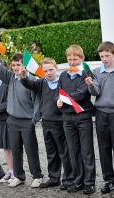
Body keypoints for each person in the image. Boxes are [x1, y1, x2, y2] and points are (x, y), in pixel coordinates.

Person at [0, 45, 43, 188]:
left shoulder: (32, 80)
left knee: (31, 150)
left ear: (24, 65)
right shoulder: (10, 77)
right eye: (13, 65)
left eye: (18, 65)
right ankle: (19, 176)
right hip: (13, 120)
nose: (15, 68)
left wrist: (34, 118)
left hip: (27, 120)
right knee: (15, 150)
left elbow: (37, 100)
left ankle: (37, 176)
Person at [20, 58, 73, 189]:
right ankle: (54, 178)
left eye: (50, 70)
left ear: (56, 68)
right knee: (51, 152)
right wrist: (23, 77)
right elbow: (29, 84)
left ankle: (68, 179)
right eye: (45, 71)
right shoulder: (42, 82)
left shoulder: (62, 82)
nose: (48, 73)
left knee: (64, 152)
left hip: (59, 122)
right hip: (46, 121)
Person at [54, 45, 95, 194]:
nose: (72, 62)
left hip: (83, 116)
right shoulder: (63, 75)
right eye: (69, 59)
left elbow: (82, 93)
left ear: (82, 58)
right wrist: (58, 100)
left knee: (86, 151)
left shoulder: (86, 73)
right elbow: (57, 92)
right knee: (73, 151)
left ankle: (89, 182)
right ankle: (78, 181)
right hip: (67, 118)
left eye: (75, 59)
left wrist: (65, 98)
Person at [85, 41, 114, 194]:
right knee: (104, 148)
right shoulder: (96, 72)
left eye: (107, 56)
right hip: (101, 113)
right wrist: (90, 84)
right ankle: (109, 180)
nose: (104, 59)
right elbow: (95, 92)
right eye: (102, 56)